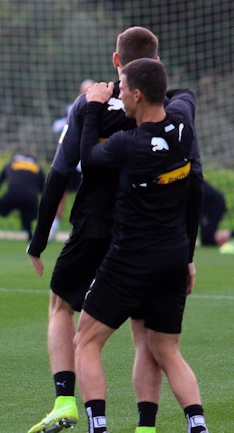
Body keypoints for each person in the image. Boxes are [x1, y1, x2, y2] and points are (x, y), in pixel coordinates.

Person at [27, 27, 202, 433]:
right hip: (157, 241)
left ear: (116, 63)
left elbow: (62, 171)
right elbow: (194, 183)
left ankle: (67, 403)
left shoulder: (92, 105)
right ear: (157, 63)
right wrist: (188, 252)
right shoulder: (178, 113)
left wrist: (38, 241)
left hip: (98, 227)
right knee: (149, 338)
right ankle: (147, 425)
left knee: (62, 307)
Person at [75, 58, 209, 433]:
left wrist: (92, 107)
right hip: (173, 257)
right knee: (165, 350)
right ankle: (197, 425)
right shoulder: (183, 129)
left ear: (136, 94)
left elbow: (88, 158)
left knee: (85, 342)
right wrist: (189, 258)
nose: (117, 92)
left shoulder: (125, 145)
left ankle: (98, 426)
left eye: (121, 86)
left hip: (130, 259)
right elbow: (186, 98)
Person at [49, 79, 94, 242]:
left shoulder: (101, 107)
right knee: (61, 193)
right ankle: (52, 228)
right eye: (85, 90)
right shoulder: (72, 108)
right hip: (74, 161)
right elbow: (57, 127)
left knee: (90, 196)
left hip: (90, 161)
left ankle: (83, 230)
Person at [0, 152, 45, 240]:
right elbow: (44, 190)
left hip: (13, 195)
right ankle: (31, 237)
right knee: (27, 214)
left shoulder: (10, 164)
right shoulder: (38, 168)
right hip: (31, 198)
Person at [199, 180, 234, 249]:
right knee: (206, 240)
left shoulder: (191, 180)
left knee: (207, 240)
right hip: (208, 205)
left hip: (215, 205)